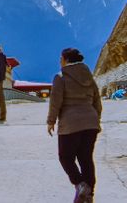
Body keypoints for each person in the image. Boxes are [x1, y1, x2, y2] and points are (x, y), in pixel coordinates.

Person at [48, 47, 102, 203]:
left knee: (65, 157)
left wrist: (51, 121)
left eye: (60, 59)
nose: (60, 62)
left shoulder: (61, 77)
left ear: (65, 59)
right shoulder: (89, 77)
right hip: (91, 123)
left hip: (70, 124)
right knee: (86, 158)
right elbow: (97, 102)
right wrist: (94, 119)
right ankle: (89, 194)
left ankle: (80, 185)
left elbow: (55, 102)